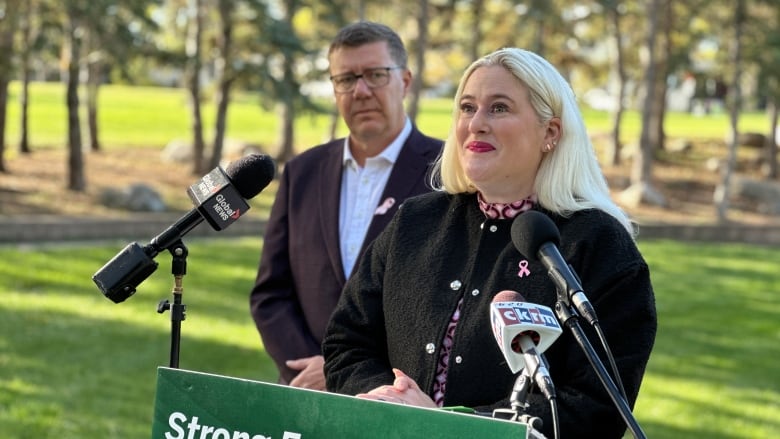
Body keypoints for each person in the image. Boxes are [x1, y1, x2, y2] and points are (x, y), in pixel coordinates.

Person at [322, 47, 657, 438]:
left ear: (550, 132)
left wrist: (449, 428)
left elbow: (596, 405)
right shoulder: (415, 222)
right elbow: (347, 341)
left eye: (499, 108)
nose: (476, 123)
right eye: (467, 108)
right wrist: (388, 403)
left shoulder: (599, 245)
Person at [249, 21, 443, 390]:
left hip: (398, 397)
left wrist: (342, 370)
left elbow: (446, 307)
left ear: (405, 80)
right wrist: (306, 369)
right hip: (306, 393)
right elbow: (271, 293)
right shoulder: (302, 172)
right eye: (346, 79)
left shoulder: (448, 173)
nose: (361, 90)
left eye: (376, 75)